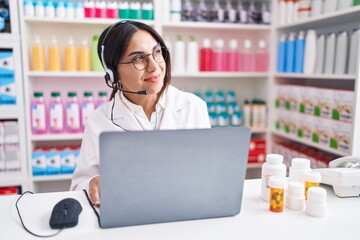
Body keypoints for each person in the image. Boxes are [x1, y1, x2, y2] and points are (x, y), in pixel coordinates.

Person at [70, 20, 211, 206]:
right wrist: (92, 183)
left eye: (157, 52)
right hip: (128, 216)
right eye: (138, 58)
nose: (154, 66)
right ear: (113, 73)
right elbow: (78, 186)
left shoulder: (193, 107)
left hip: (185, 210)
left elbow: (208, 173)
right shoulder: (98, 121)